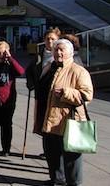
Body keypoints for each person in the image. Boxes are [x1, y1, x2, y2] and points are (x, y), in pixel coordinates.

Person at [36, 39, 93, 186]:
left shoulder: (78, 70)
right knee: (52, 153)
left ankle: (74, 183)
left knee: (72, 156)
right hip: (49, 118)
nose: (58, 52)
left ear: (70, 52)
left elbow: (87, 95)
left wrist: (66, 93)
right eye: (56, 50)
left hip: (69, 119)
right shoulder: (49, 67)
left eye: (62, 50)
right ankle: (57, 180)